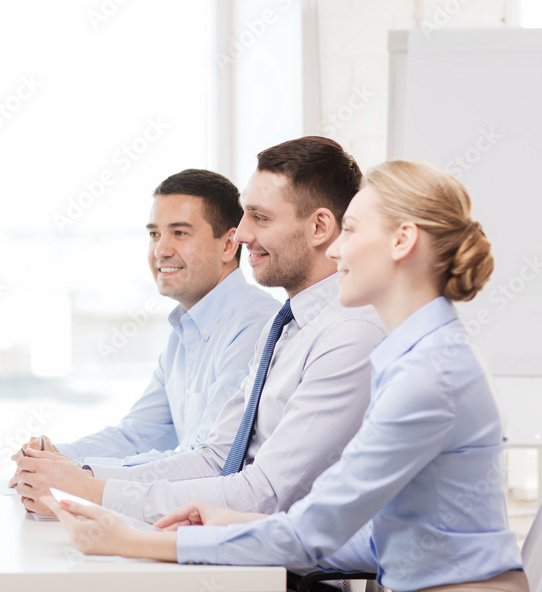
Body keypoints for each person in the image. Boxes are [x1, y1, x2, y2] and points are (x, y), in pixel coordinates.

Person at [44, 159, 528, 592]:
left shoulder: (429, 373)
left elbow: (314, 532)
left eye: (352, 231)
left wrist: (132, 541)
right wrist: (229, 524)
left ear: (402, 241)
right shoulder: (413, 355)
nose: (337, 251)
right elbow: (385, 539)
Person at [15, 136, 385, 521]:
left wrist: (91, 488)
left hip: (292, 574)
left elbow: (264, 494)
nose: (241, 234)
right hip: (249, 548)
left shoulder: (348, 333)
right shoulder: (284, 328)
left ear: (320, 227)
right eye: (155, 234)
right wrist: (80, 475)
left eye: (259, 217)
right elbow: (217, 459)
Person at [6, 169, 278, 480]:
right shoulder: (184, 333)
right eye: (154, 234)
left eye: (180, 233)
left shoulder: (254, 325)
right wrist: (54, 457)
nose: (161, 250)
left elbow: (211, 462)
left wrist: (79, 474)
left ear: (229, 245)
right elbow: (138, 435)